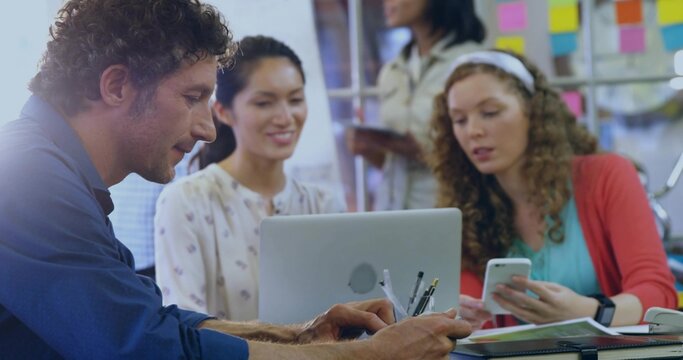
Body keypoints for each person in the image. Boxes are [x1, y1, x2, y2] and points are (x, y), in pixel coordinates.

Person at [0, 0, 472, 358]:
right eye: (192, 96)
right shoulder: (27, 180)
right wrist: (368, 354)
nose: (208, 128)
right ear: (117, 85)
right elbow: (145, 347)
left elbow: (155, 322)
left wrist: (300, 333)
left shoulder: (47, 169)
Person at [427, 50, 678, 330]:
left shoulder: (607, 175)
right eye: (459, 120)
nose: (473, 130)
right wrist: (463, 318)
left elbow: (659, 296)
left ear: (533, 111)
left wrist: (589, 311)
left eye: (490, 113)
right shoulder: (465, 208)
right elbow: (480, 322)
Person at [154, 35, 346, 321]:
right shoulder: (187, 201)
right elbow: (184, 326)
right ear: (223, 112)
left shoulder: (323, 204)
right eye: (264, 103)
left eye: (295, 100)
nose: (285, 117)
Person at [347, 0, 485, 210]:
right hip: (390, 213)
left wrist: (405, 147)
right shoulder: (392, 69)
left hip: (447, 212)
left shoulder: (472, 63)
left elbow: (481, 154)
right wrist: (369, 148)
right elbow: (393, 165)